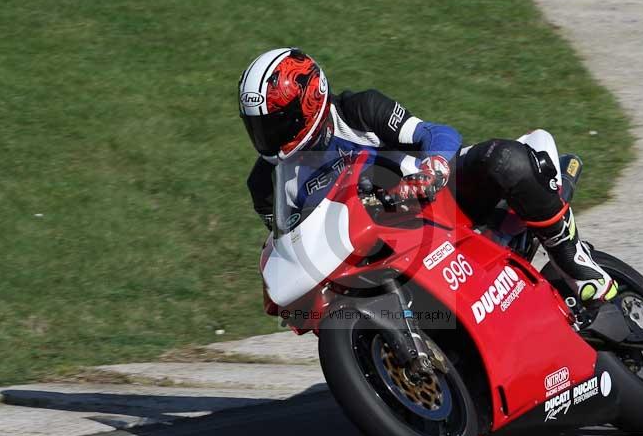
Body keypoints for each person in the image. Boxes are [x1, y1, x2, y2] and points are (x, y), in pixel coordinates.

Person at [239, 48, 617, 303]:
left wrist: (432, 167)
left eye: (276, 124)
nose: (267, 138)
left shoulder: (359, 111)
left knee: (505, 159)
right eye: (257, 128)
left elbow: (437, 134)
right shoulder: (264, 185)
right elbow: (290, 243)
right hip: (376, 257)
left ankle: (572, 259)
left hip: (440, 204)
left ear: (310, 103)